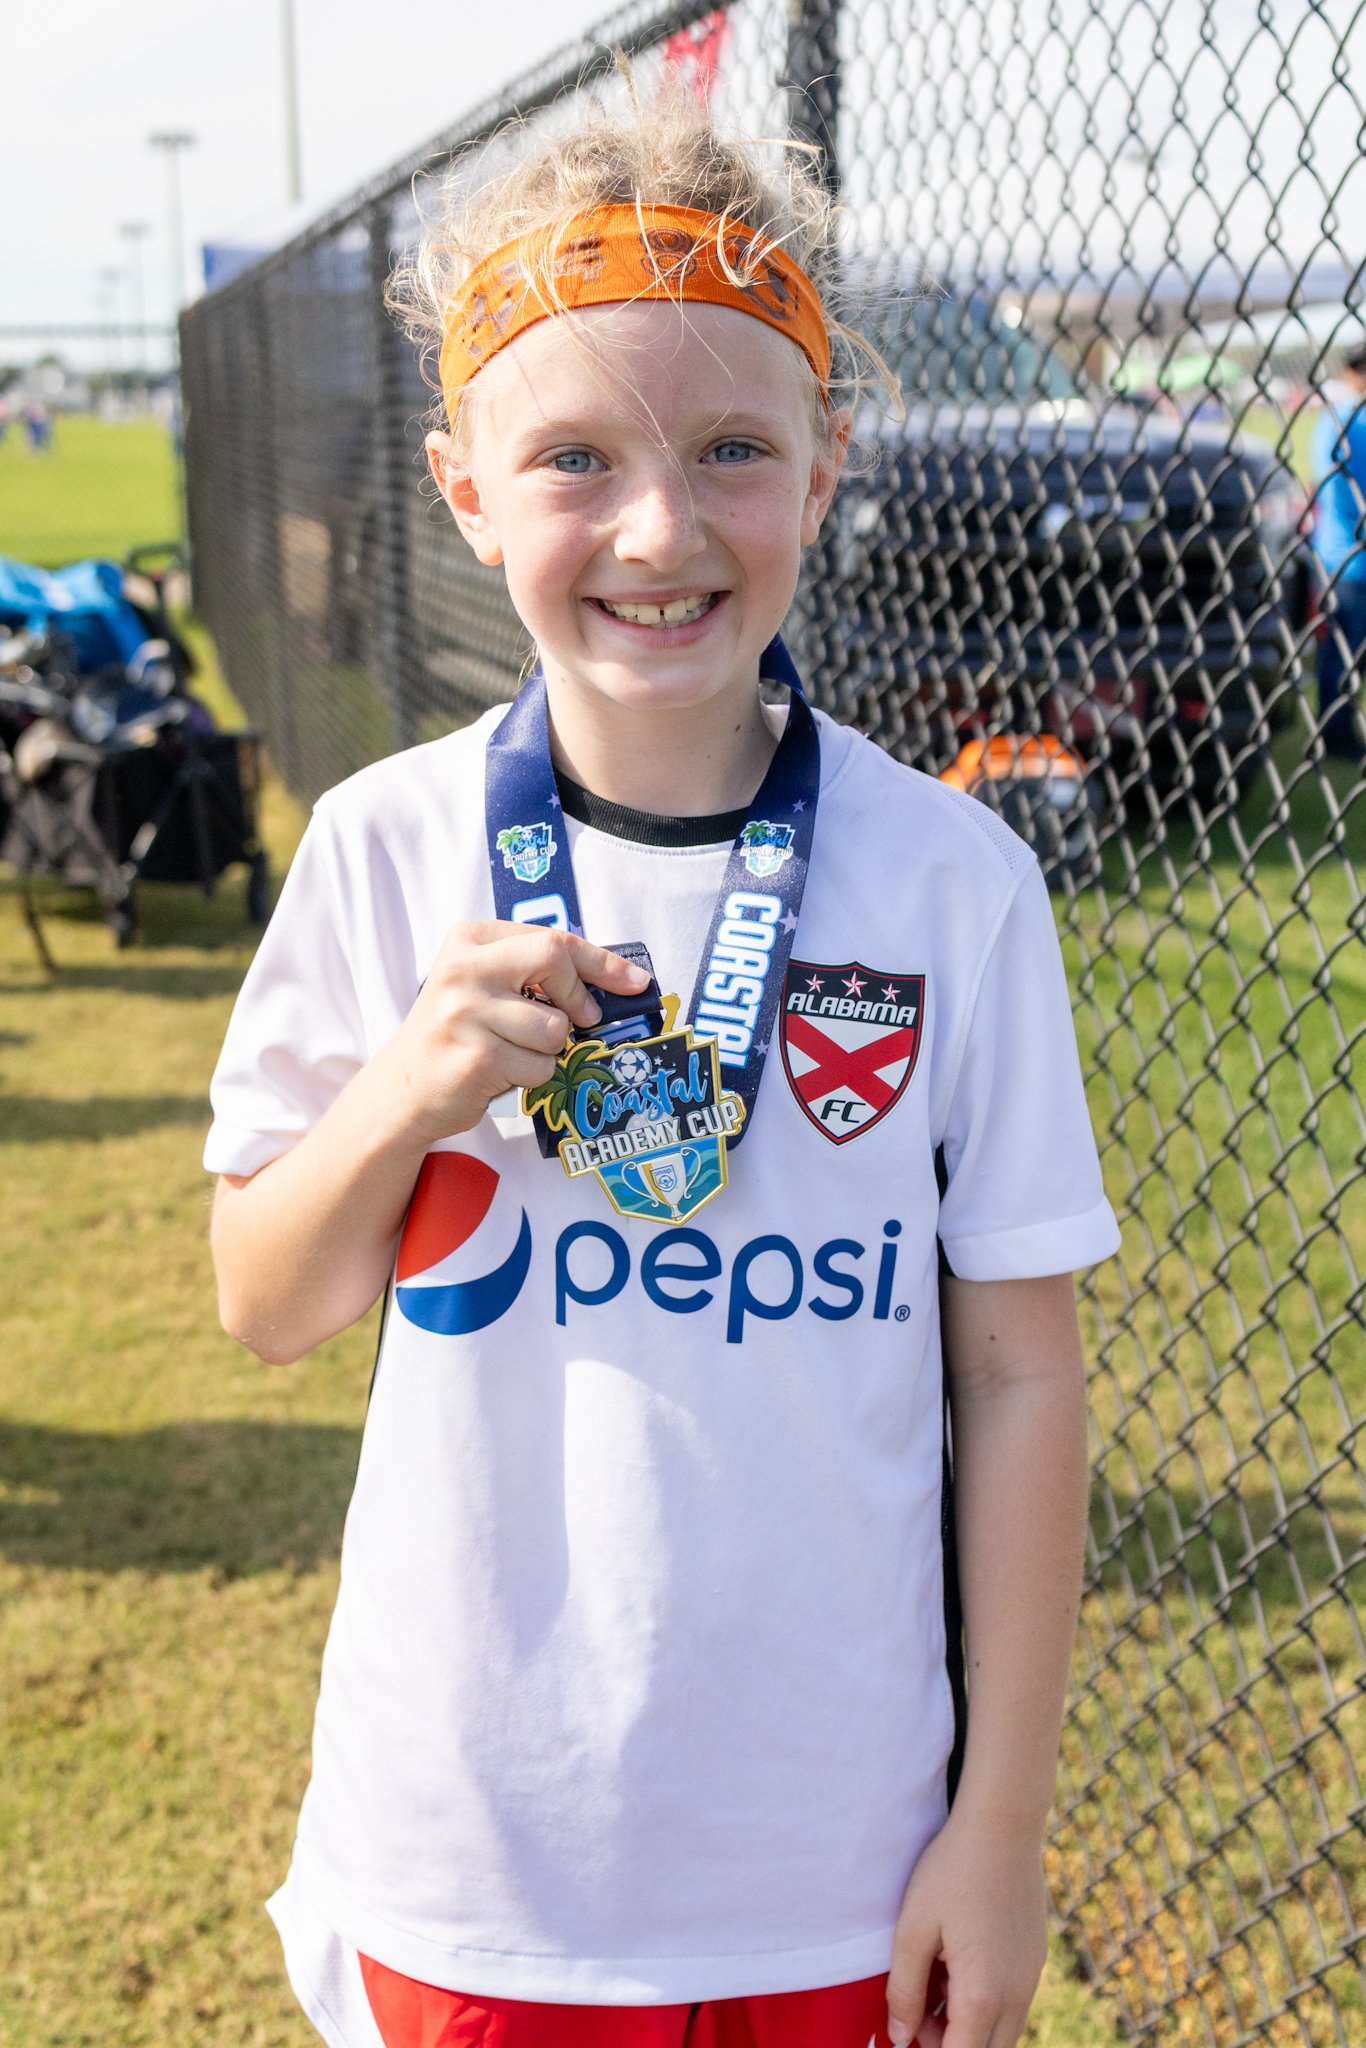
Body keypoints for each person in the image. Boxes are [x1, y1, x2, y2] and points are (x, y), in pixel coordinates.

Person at [206, 85, 1119, 2048]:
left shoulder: (948, 879)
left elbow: (1019, 1365)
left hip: (838, 1865)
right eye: (572, 458)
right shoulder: (387, 847)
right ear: (462, 489)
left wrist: (1002, 1824)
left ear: (824, 462)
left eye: (729, 449)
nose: (657, 528)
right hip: (482, 1857)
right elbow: (267, 1302)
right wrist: (403, 1092)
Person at [1309, 339, 1366, 757]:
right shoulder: (1346, 424)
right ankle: (1335, 733)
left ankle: (1339, 729)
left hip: (1342, 553)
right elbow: (1343, 497)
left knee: (1348, 649)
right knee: (1343, 648)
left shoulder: (1340, 421)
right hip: (1347, 558)